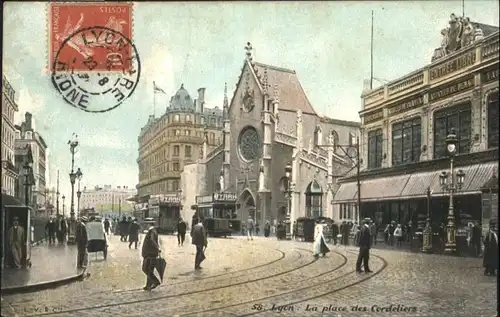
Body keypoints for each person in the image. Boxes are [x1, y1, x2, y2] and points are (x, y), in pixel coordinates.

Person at [141, 226, 161, 290]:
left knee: (145, 268)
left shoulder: (152, 231)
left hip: (149, 253)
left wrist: (157, 248)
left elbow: (152, 240)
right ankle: (148, 285)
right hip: (150, 253)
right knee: (149, 269)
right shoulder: (153, 231)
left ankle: (155, 281)